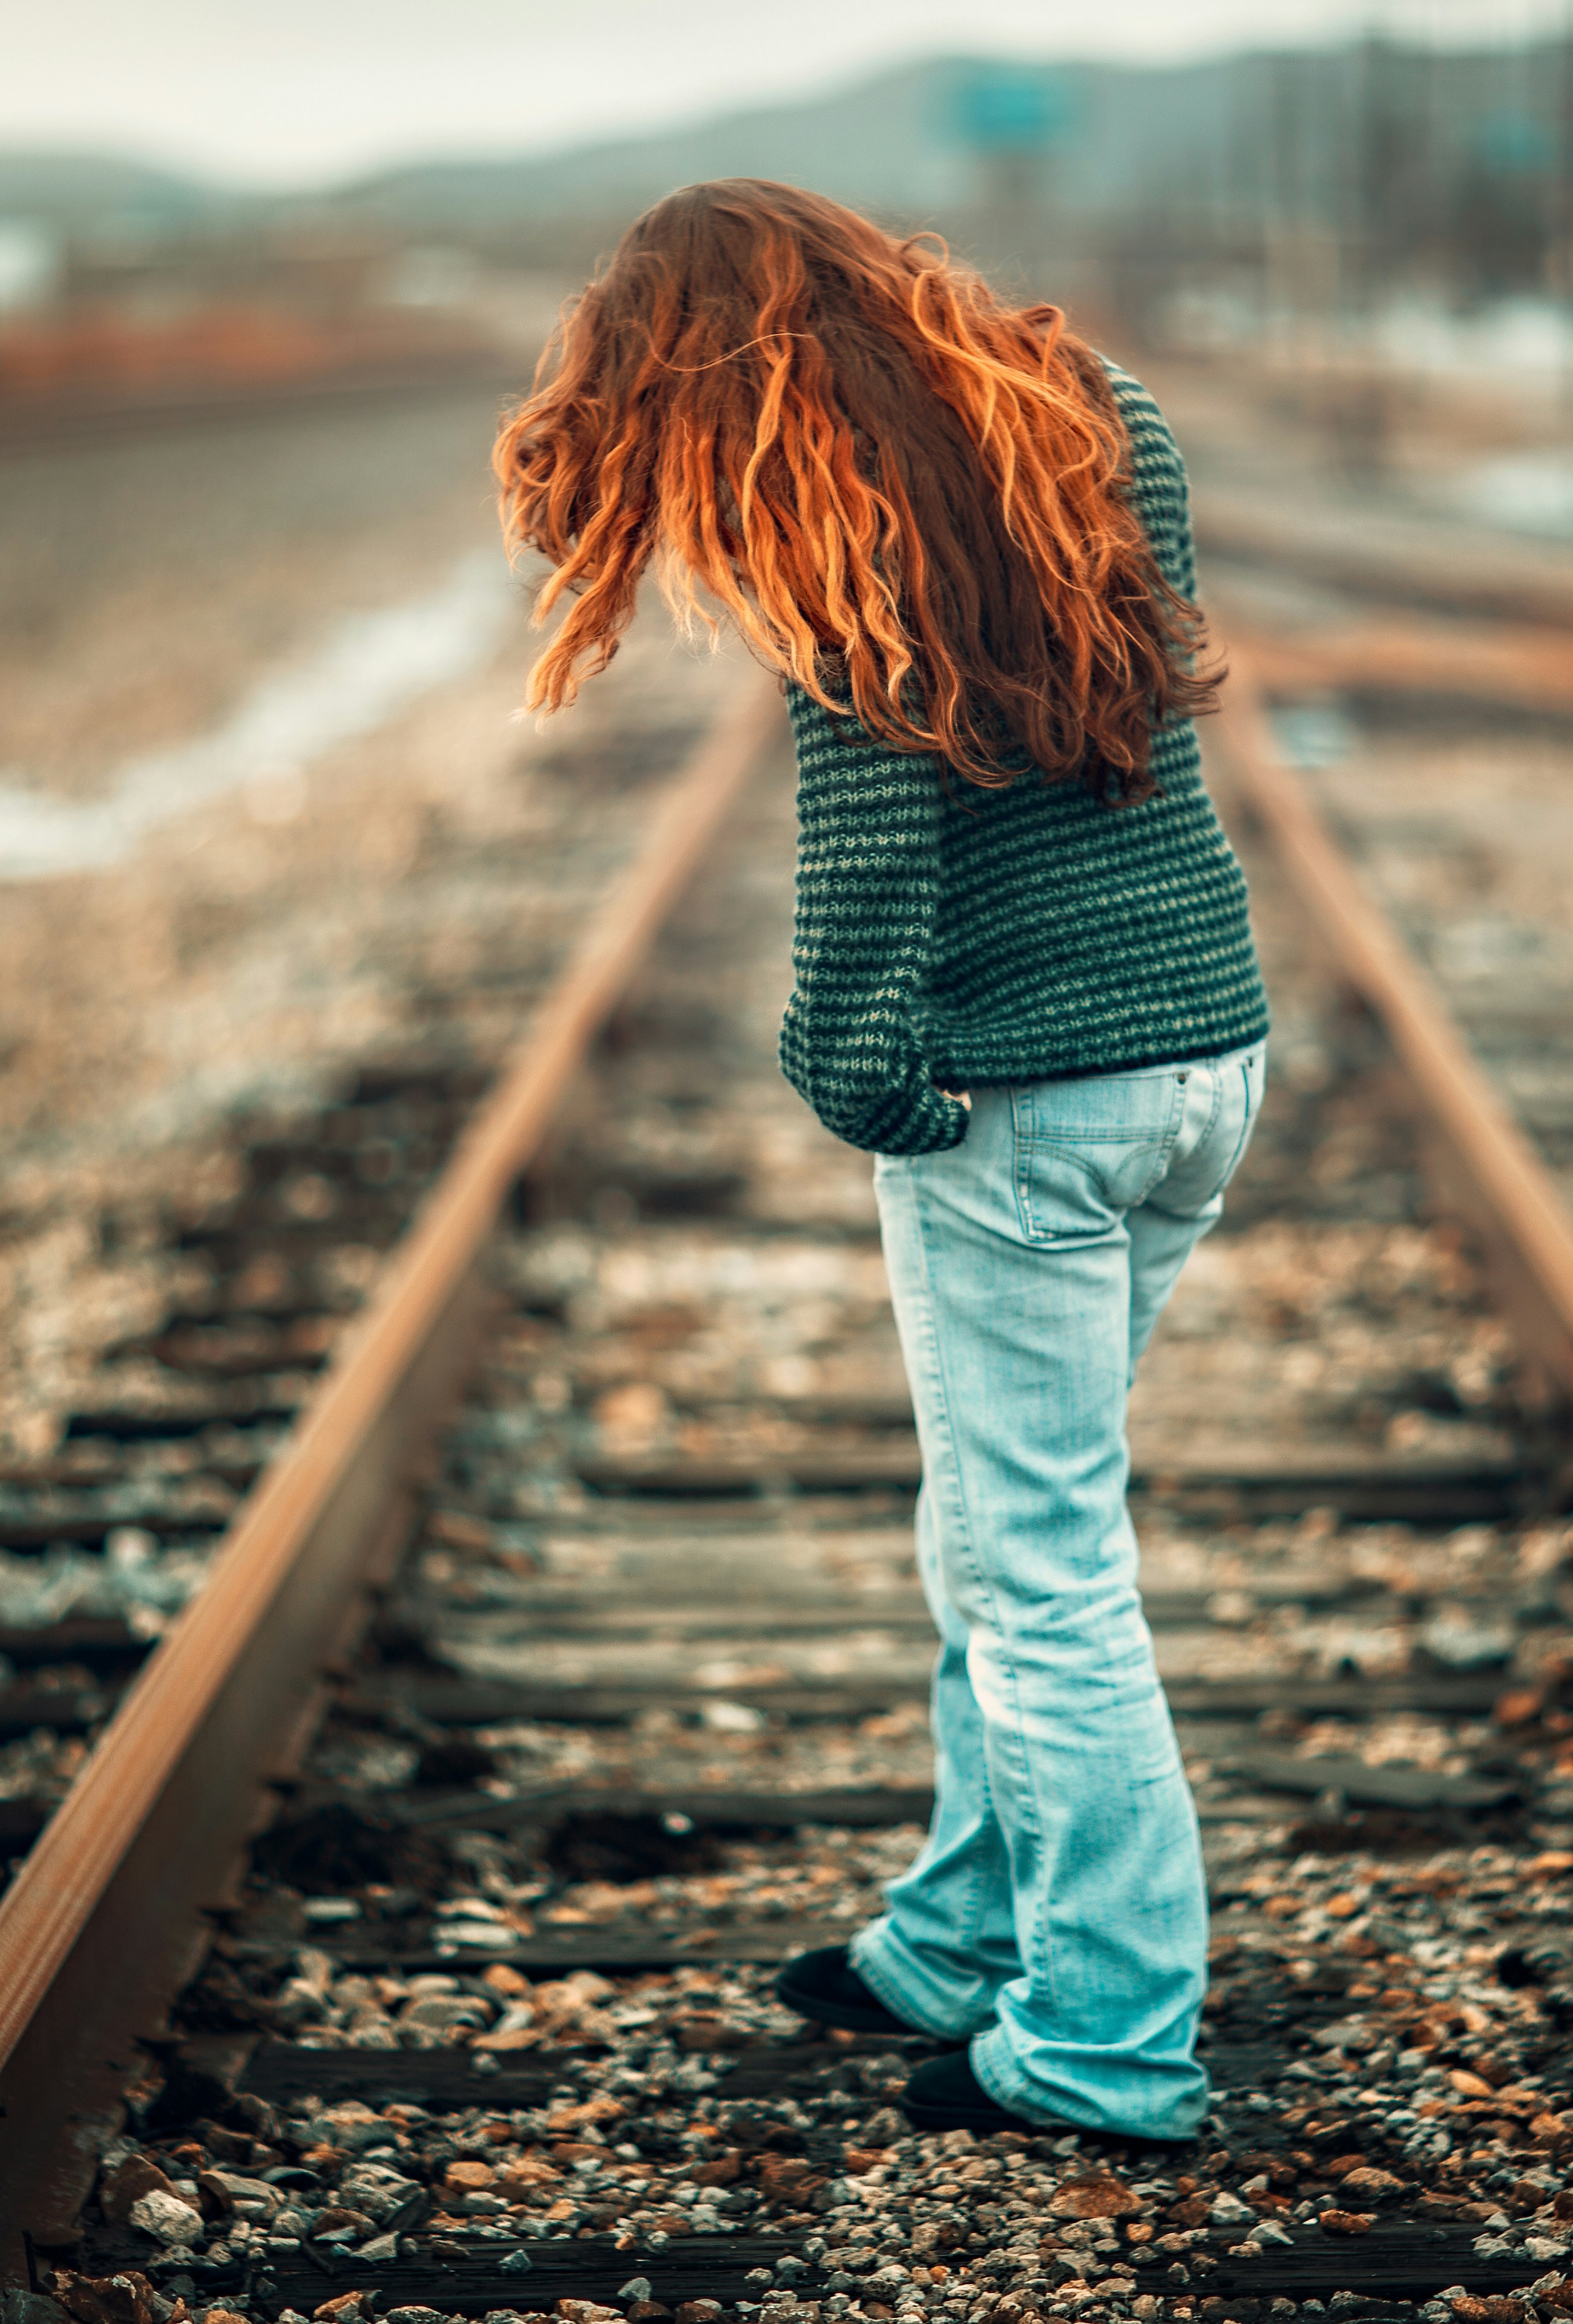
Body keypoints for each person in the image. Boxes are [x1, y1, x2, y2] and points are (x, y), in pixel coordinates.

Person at [495, 179, 1266, 2145]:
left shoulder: (831, 504)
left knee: (1042, 1571)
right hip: (1202, 1057)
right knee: (1005, 1530)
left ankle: (1107, 2044)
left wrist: (861, 1087)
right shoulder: (1089, 408)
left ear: (704, 365)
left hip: (1036, 1092)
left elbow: (868, 860)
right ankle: (954, 1935)